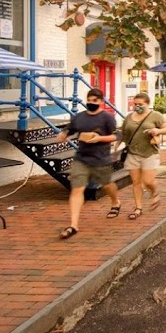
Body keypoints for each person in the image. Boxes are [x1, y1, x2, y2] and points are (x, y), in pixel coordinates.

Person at [57, 88, 120, 239]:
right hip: (82, 158)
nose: (91, 103)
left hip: (101, 159)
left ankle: (115, 201)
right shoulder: (79, 117)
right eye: (89, 100)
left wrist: (99, 139)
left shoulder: (107, 117)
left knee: (107, 185)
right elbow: (70, 129)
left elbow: (117, 135)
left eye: (95, 101)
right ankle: (73, 225)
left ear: (101, 101)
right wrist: (63, 134)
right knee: (77, 190)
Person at [121, 92, 166, 220]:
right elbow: (124, 134)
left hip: (149, 153)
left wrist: (157, 131)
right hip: (133, 153)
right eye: (135, 104)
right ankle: (138, 207)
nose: (137, 106)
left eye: (140, 104)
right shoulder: (129, 117)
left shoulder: (155, 116)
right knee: (136, 182)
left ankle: (154, 192)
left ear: (147, 104)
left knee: (147, 181)